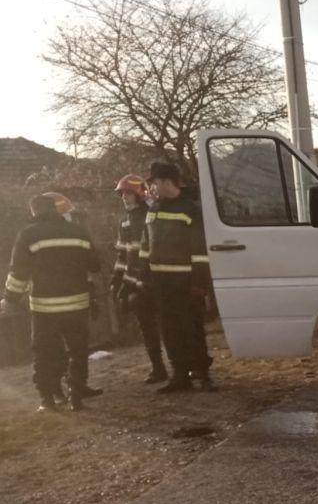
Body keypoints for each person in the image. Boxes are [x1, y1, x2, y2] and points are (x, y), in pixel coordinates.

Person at [2, 193, 102, 412]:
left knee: (45, 351)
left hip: (44, 307)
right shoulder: (78, 232)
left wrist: (9, 298)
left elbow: (18, 272)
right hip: (77, 303)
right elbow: (95, 265)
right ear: (55, 210)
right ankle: (76, 395)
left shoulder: (28, 234)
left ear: (34, 211)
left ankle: (47, 399)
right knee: (77, 350)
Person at [138, 161, 214, 393]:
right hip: (161, 283)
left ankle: (203, 374)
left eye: (154, 183)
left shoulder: (190, 209)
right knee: (169, 330)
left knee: (192, 329)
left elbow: (200, 251)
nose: (152, 188)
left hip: (186, 283)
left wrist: (199, 283)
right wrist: (144, 278)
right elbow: (145, 246)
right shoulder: (153, 209)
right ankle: (180, 375)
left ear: (166, 182)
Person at [109, 174, 167, 384]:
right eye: (122, 193)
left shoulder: (153, 214)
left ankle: (186, 367)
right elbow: (123, 254)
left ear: (139, 194)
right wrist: (117, 279)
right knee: (146, 326)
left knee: (169, 325)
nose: (124, 197)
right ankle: (158, 368)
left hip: (156, 279)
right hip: (136, 282)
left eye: (128, 193)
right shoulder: (124, 220)